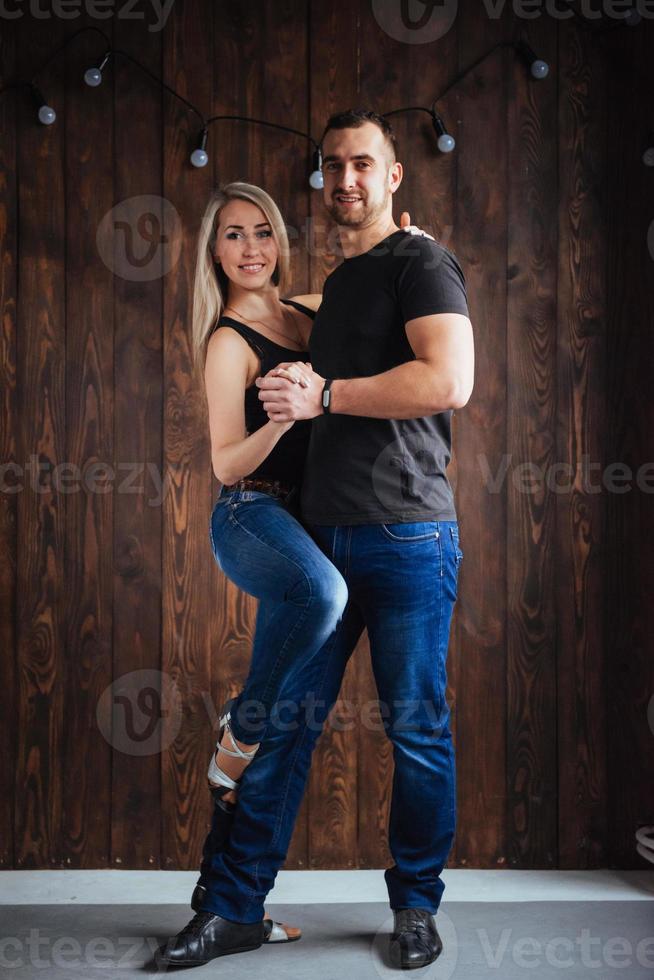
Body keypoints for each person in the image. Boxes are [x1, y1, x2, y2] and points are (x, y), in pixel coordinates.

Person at [154, 179, 431, 968]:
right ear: (214, 251)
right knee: (324, 594)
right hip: (252, 514)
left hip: (316, 523)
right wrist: (280, 417)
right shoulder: (228, 341)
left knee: (284, 732)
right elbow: (223, 461)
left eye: (262, 232)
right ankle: (240, 725)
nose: (250, 249)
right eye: (233, 235)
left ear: (278, 241)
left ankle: (227, 907)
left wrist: (413, 246)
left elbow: (371, 285)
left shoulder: (309, 310)